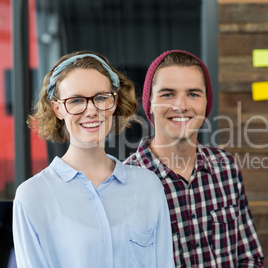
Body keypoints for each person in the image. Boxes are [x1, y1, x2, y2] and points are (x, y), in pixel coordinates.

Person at [12, 51, 174, 268]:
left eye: (100, 98)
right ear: (57, 108)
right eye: (76, 100)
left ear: (114, 102)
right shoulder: (32, 196)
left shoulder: (148, 186)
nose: (91, 110)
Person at [124, 50, 264, 267]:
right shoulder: (124, 183)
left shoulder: (225, 167)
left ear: (206, 104)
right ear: (149, 103)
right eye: (168, 94)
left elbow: (249, 256)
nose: (181, 105)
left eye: (193, 94)